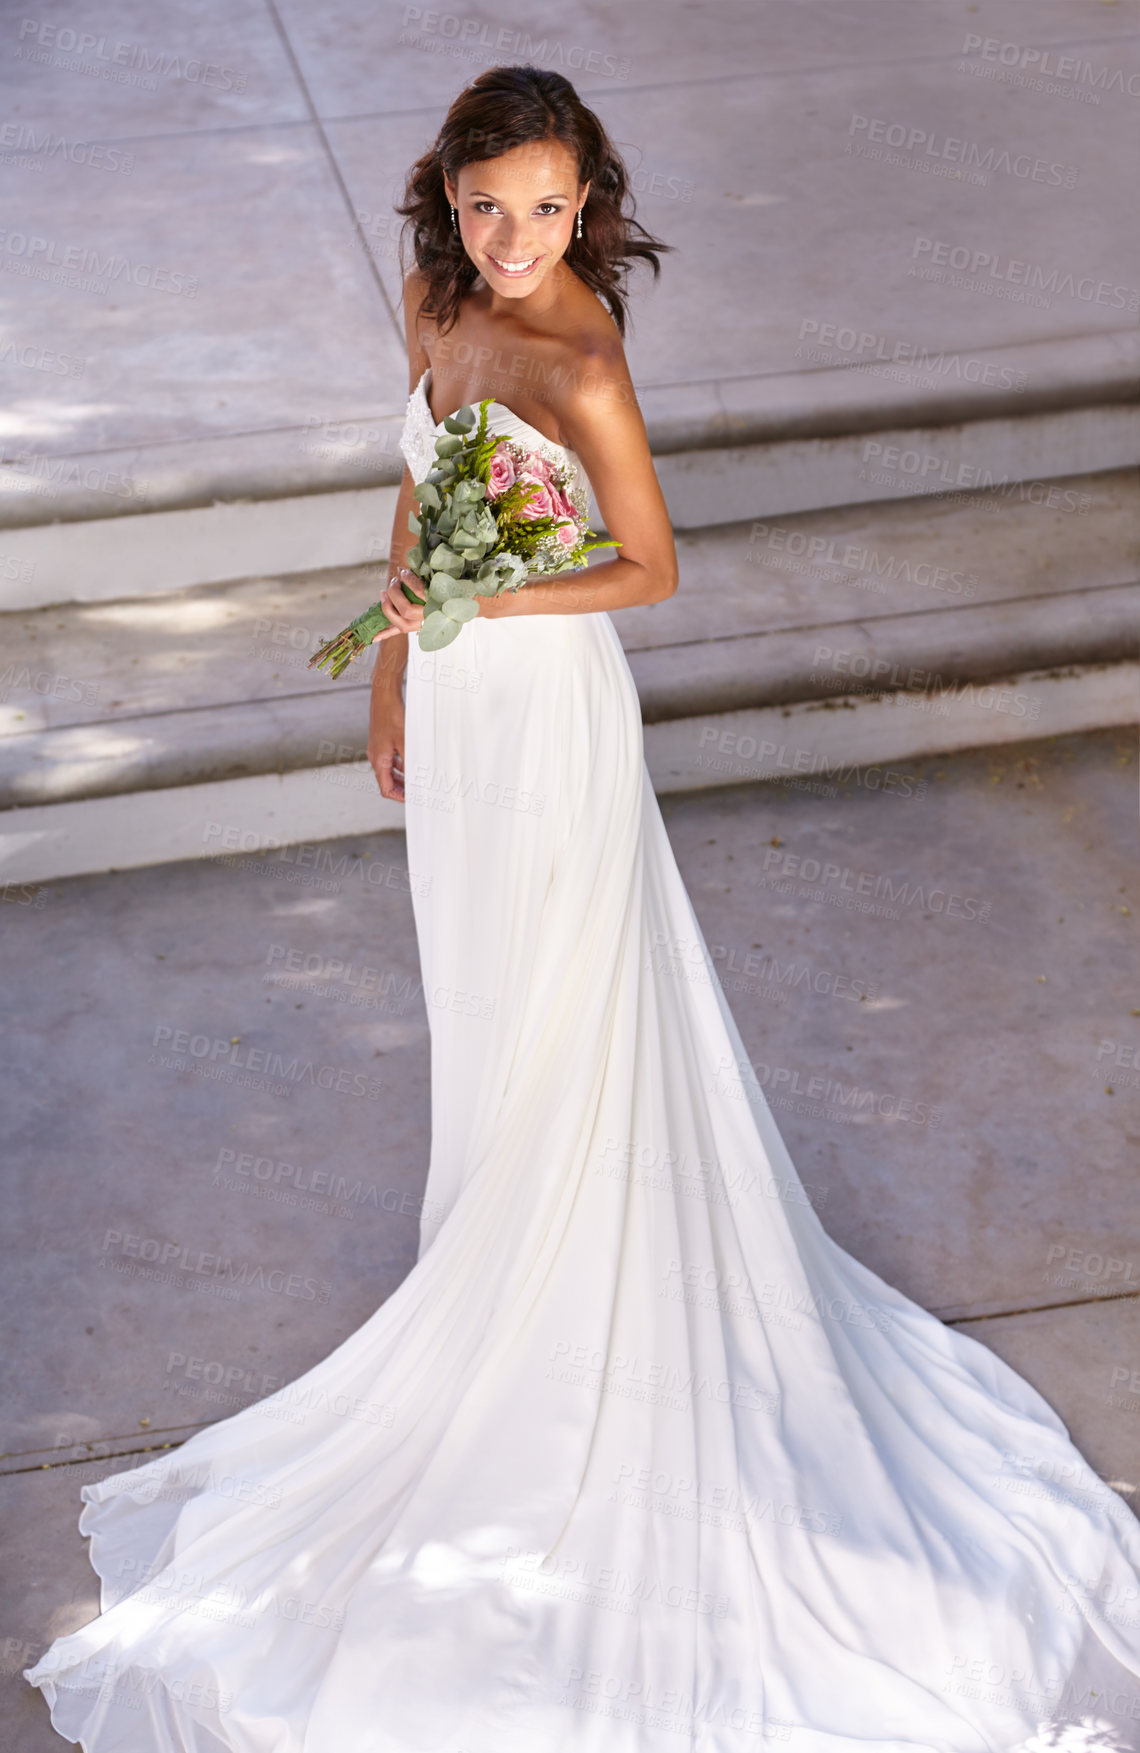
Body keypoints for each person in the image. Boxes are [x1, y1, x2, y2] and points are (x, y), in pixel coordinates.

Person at [26, 64, 1140, 1753]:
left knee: (571, 1005)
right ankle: (485, 1244)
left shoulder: (584, 356)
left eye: (548, 208)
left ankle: (564, 1316)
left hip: (550, 710)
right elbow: (417, 489)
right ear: (447, 201)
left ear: (585, 205)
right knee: (483, 1002)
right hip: (462, 708)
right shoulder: (429, 304)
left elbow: (650, 565)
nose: (517, 237)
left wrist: (498, 586)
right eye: (489, 206)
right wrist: (393, 665)